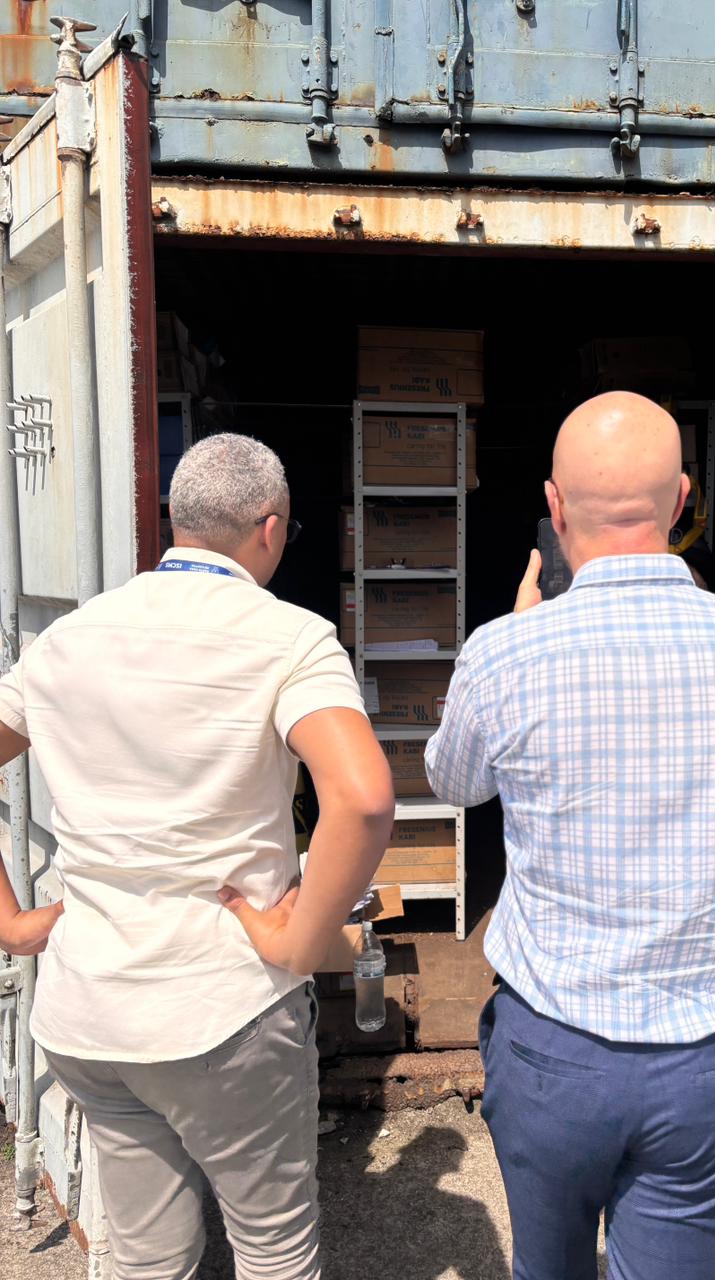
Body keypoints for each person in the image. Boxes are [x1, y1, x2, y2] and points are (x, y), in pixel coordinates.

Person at [425, 391, 715, 1280]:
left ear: (554, 508)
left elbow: (454, 783)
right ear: (682, 501)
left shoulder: (504, 652)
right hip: (707, 1054)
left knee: (547, 1265)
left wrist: (517, 637)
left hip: (552, 1047)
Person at [0, 433, 394, 1280]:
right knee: (274, 1249)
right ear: (271, 528)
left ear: (174, 520)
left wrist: (11, 922)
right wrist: (298, 944)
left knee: (150, 1258)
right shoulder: (290, 638)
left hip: (88, 1011)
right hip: (223, 1008)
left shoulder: (68, 638)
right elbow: (363, 799)